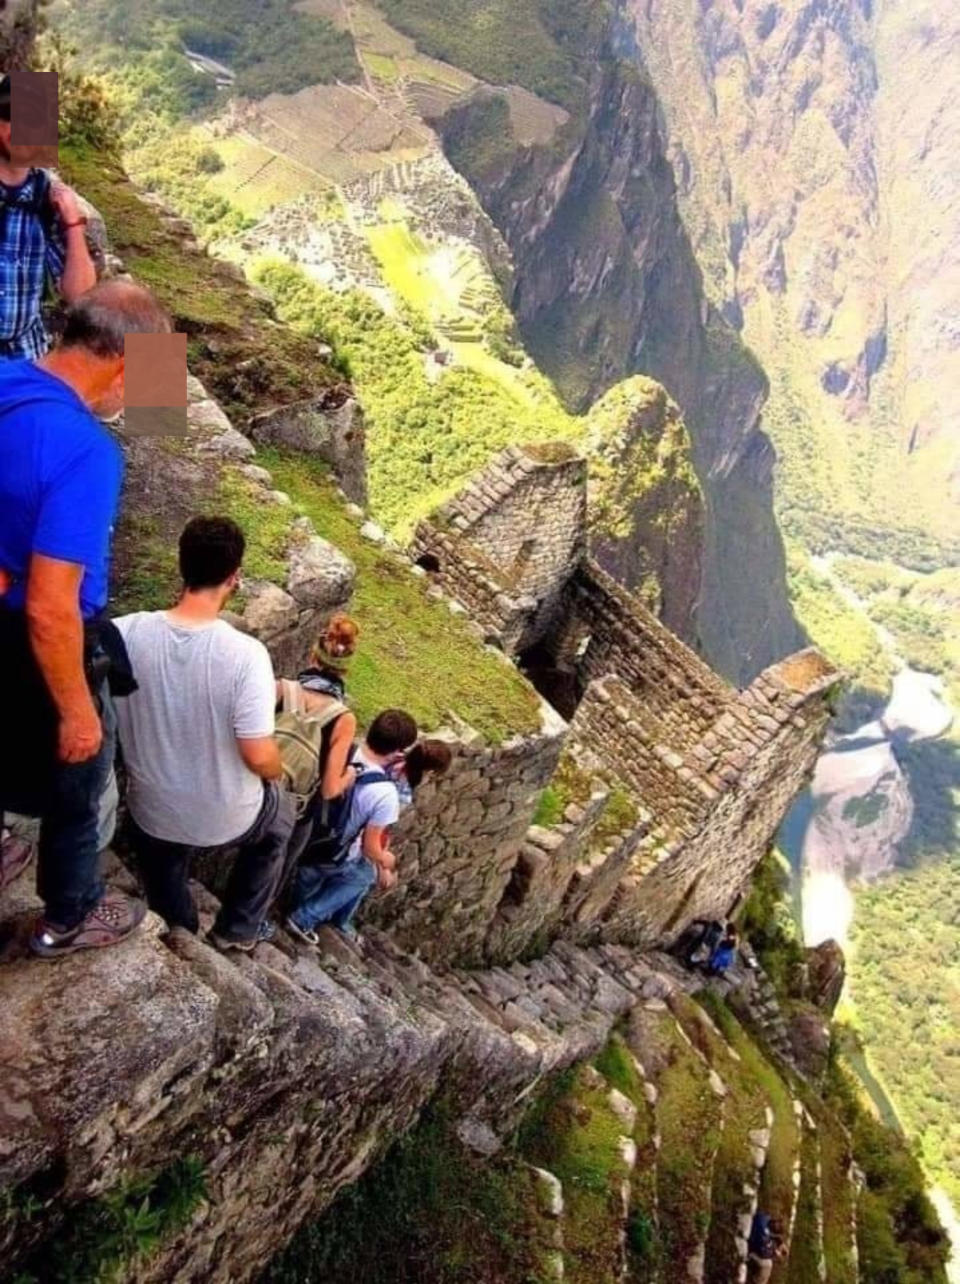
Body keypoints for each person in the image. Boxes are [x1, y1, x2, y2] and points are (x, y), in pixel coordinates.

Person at [0, 280, 171, 958]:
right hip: (30, 636)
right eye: (139, 383)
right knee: (79, 780)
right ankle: (67, 916)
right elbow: (51, 606)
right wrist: (76, 710)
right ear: (123, 365)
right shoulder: (86, 450)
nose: (132, 404)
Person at [113, 516, 295, 952]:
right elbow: (257, 755)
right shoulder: (246, 655)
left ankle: (180, 927)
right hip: (227, 817)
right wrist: (278, 771)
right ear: (234, 578)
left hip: (151, 810)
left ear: (181, 565)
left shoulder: (124, 633)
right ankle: (237, 928)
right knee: (280, 821)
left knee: (161, 858)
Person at [285, 709, 418, 946]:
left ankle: (290, 906)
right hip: (333, 853)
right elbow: (370, 848)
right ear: (398, 751)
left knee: (307, 877)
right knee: (364, 875)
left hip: (305, 835)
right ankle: (303, 918)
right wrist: (387, 860)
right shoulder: (385, 794)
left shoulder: (342, 751)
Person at [0, 74, 98, 360]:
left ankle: (162, 405)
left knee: (145, 326)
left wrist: (73, 223)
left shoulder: (46, 197)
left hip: (25, 355)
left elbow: (80, 296)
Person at [747, 1212, 786, 1282]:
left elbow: (768, 1236)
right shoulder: (764, 1230)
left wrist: (779, 1241)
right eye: (778, 1224)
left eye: (779, 1227)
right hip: (750, 1249)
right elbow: (763, 1252)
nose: (777, 1225)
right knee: (768, 1265)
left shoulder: (765, 1218)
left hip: (753, 1244)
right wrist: (775, 1253)